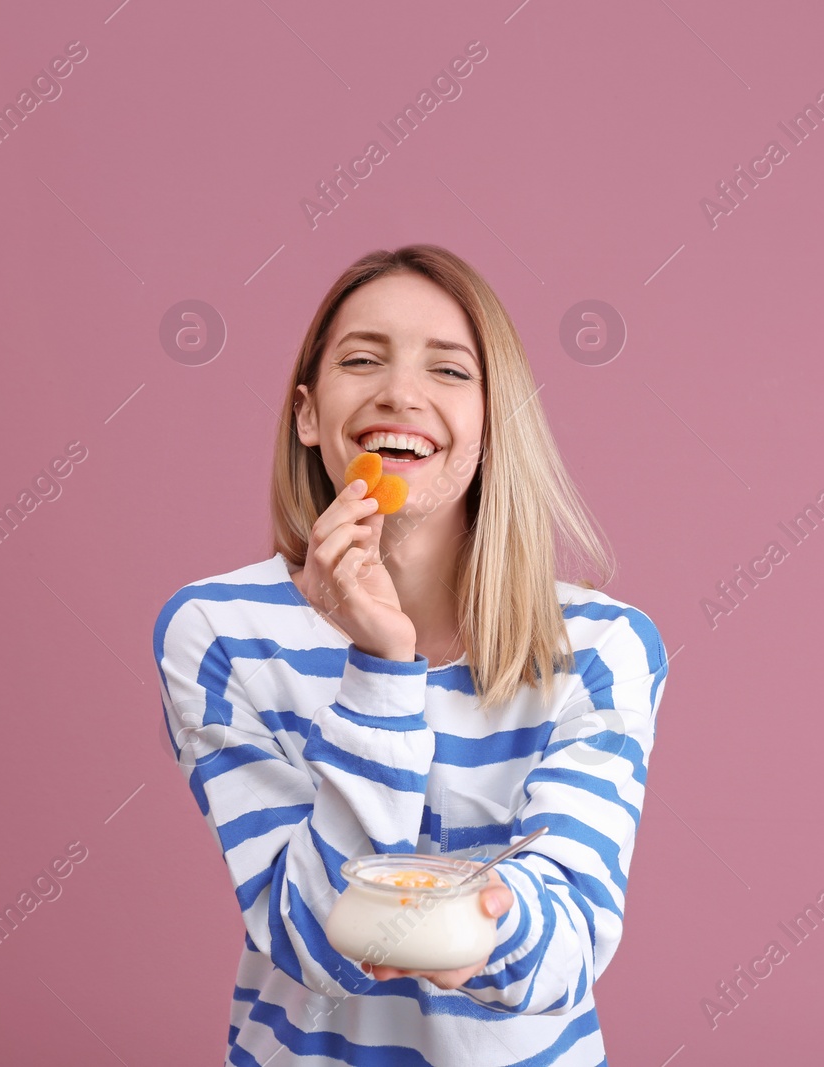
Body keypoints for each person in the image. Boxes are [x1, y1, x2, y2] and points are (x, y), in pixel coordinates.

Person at [152, 244, 668, 1064]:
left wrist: (479, 933)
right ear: (308, 413)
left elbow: (567, 944)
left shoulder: (601, 648)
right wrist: (383, 665)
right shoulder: (219, 634)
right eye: (361, 360)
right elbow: (318, 946)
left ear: (497, 421)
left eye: (451, 370)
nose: (401, 392)